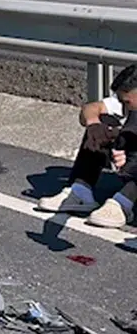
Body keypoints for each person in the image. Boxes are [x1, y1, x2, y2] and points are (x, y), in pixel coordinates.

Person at [37, 64, 137, 229]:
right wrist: (94, 125)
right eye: (122, 102)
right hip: (128, 163)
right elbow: (91, 108)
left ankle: (123, 202)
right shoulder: (128, 100)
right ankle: (81, 191)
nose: (124, 106)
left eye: (127, 102)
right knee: (102, 122)